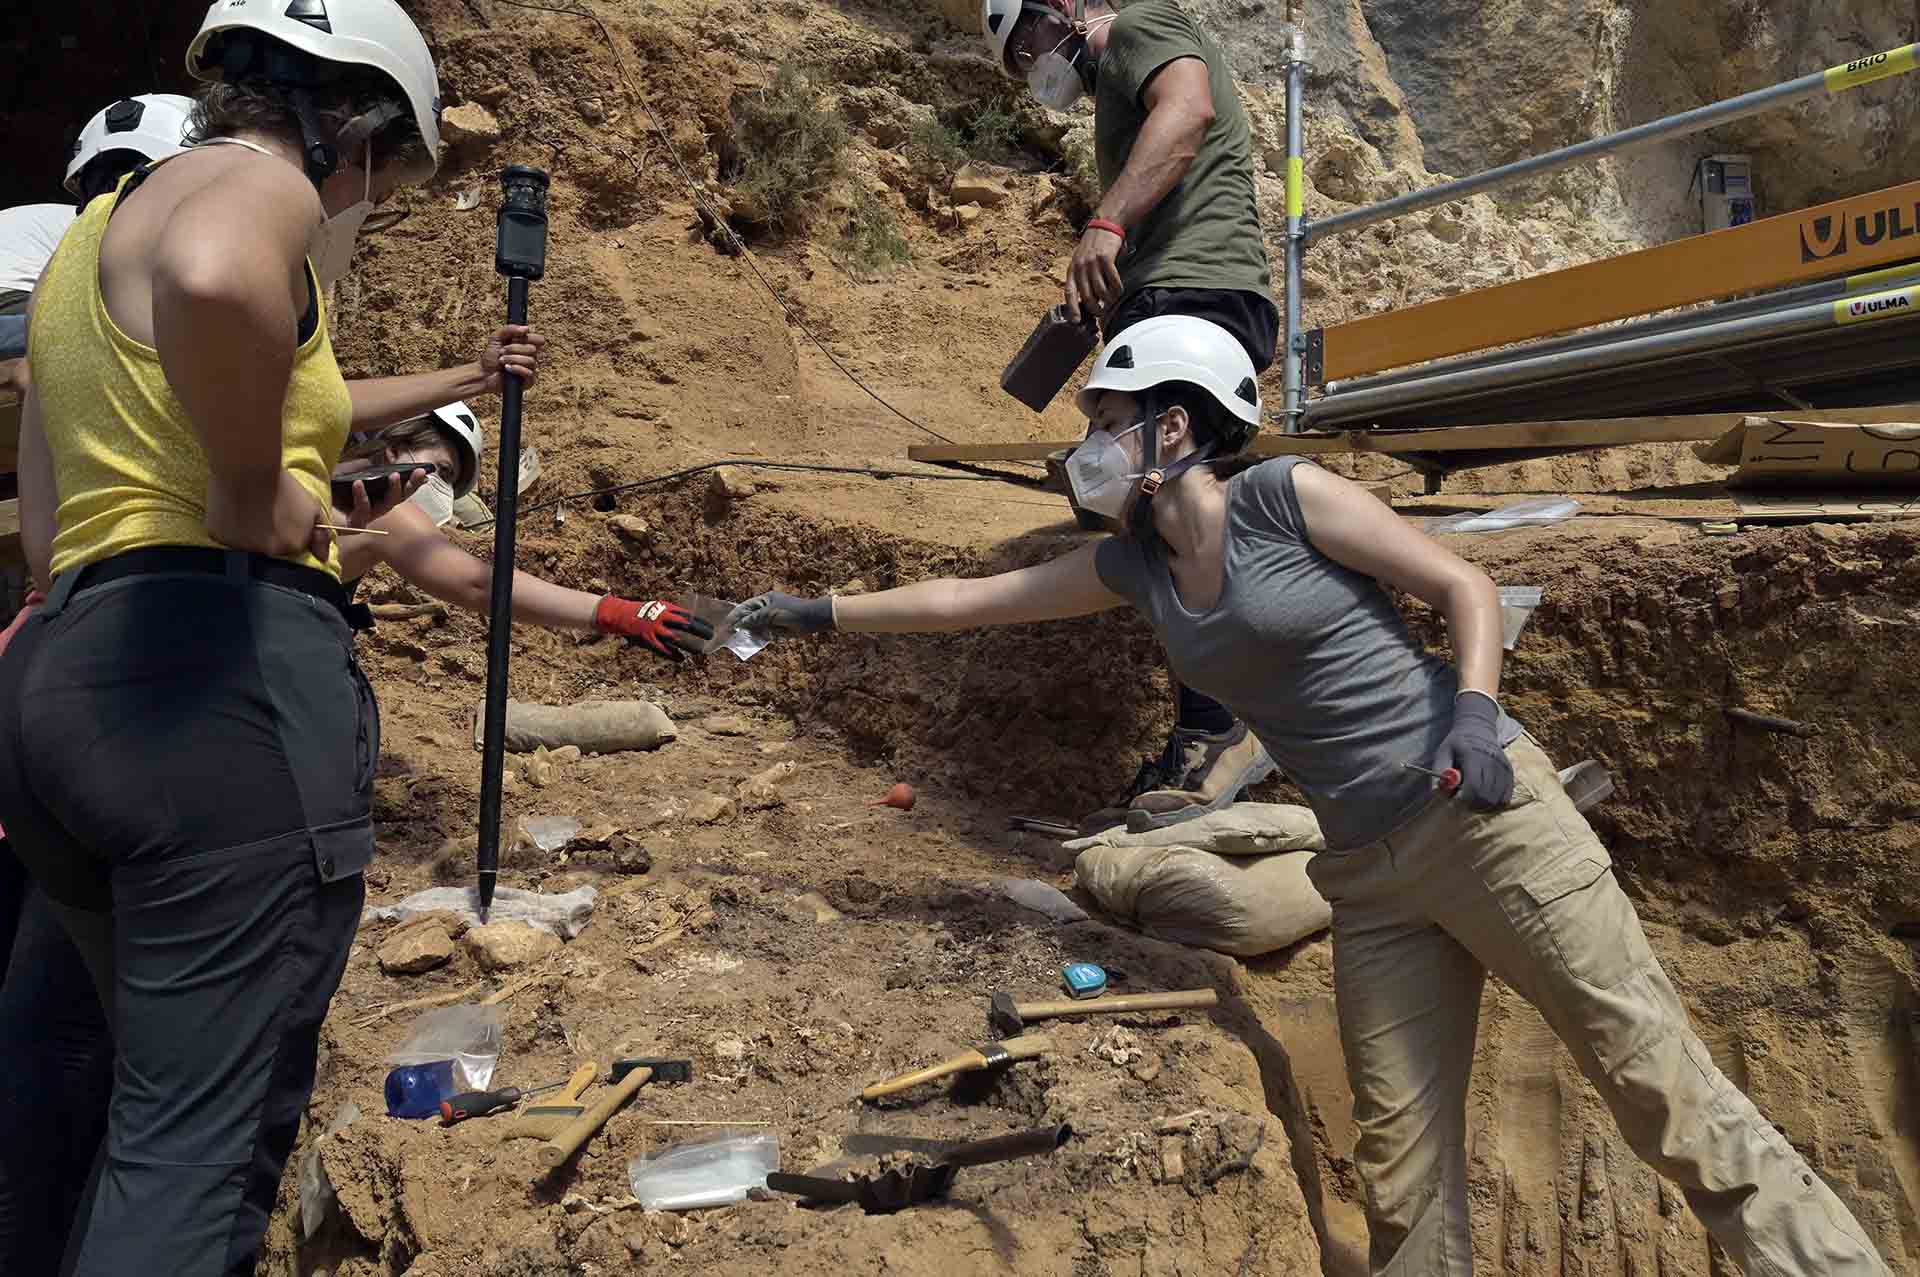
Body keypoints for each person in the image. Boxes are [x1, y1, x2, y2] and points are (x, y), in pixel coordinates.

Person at [727, 317, 1893, 1277]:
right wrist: (815, 611)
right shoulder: (1137, 563)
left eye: (1104, 421)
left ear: (1172, 422)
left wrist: (1479, 715)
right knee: (1401, 1164)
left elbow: (1463, 581)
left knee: (1659, 1092)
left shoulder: (1285, 496)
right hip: (1368, 870)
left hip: (1485, 817)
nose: (1086, 447)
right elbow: (965, 603)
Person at [0, 2, 474, 1270]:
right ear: (355, 133)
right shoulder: (252, 183)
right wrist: (257, 488)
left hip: (68, 677)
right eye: (390, 178)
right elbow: (219, 275)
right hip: (215, 689)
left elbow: (50, 532)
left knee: (116, 1105)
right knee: (195, 1157)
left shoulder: (92, 237)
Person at [982, 0, 1280, 834]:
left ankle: (1220, 731)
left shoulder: (1136, 31)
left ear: (1063, 8)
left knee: (1153, 494)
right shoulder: (1116, 77)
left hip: (1195, 293)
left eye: (1027, 46)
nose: (1032, 69)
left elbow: (1188, 110)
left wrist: (1107, 223)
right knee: (1134, 498)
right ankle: (1215, 726)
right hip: (1179, 292)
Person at [0, 90, 198, 1277]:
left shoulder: (51, 247)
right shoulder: (146, 268)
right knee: (64, 1041)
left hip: (42, 659)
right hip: (95, 672)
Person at [332, 402, 713, 656]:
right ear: (396, 450)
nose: (442, 490)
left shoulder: (304, 479)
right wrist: (614, 612)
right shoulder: (386, 514)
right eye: (443, 472)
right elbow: (479, 584)